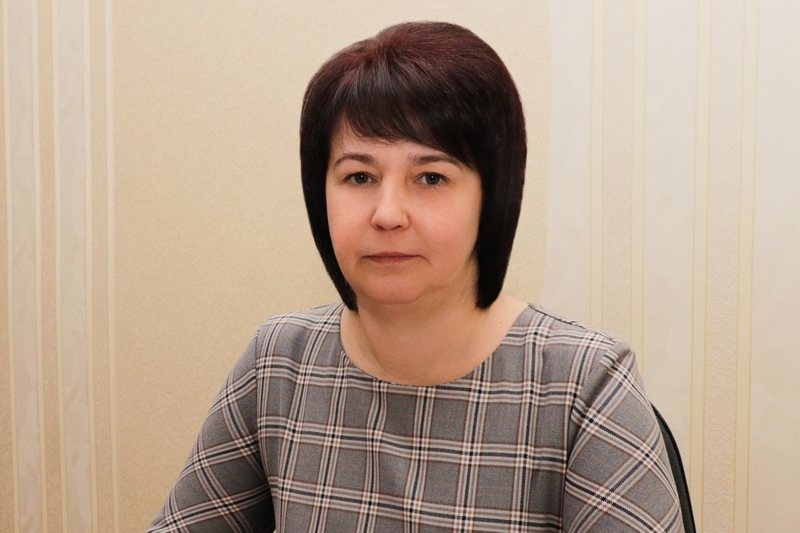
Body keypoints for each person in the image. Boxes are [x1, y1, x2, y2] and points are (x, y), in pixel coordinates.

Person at [146, 21, 684, 532]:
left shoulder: (584, 384)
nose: (387, 214)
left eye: (430, 178)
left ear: (492, 196)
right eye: (359, 176)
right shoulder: (280, 362)